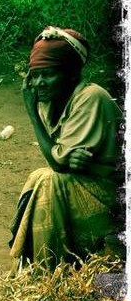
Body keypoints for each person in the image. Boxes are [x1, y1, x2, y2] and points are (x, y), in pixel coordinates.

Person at [9, 26, 123, 268]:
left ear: (71, 73)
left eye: (47, 74)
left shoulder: (92, 97)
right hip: (86, 188)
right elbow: (60, 159)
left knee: (49, 181)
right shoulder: (51, 101)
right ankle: (36, 271)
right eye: (34, 74)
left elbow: (57, 162)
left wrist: (32, 113)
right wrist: (63, 159)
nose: (39, 83)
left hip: (112, 200)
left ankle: (49, 272)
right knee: (39, 177)